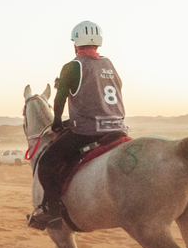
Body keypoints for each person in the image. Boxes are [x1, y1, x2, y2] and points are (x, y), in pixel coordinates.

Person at [27, 21, 128, 230]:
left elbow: (60, 99)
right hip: (117, 128)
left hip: (88, 131)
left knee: (47, 162)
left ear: (76, 44)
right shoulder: (109, 64)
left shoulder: (73, 66)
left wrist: (56, 122)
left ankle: (53, 213)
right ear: (98, 43)